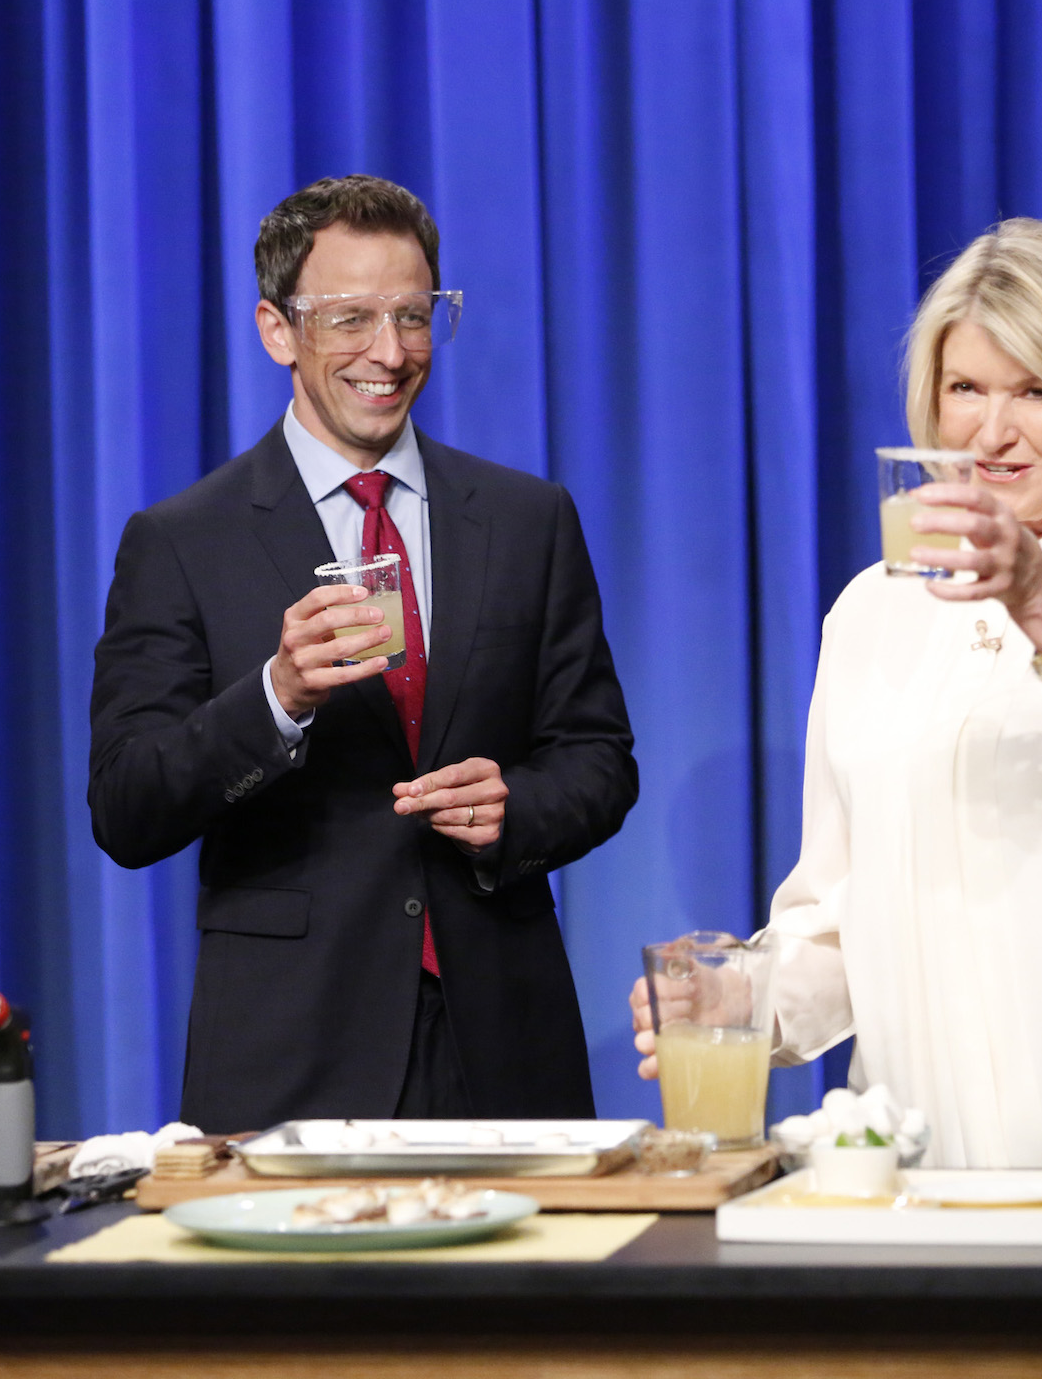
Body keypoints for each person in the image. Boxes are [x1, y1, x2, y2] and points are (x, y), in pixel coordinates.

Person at [633, 219, 1042, 1168]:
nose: (991, 430)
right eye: (965, 388)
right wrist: (740, 1001)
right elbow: (842, 918)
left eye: (1037, 391)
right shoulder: (870, 612)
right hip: (921, 1175)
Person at [91, 175, 637, 1133]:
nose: (390, 353)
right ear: (276, 330)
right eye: (351, 319)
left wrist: (516, 809)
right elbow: (127, 806)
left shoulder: (526, 520)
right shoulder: (182, 540)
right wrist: (276, 696)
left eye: (414, 316)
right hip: (290, 1056)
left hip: (503, 1047)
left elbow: (599, 760)